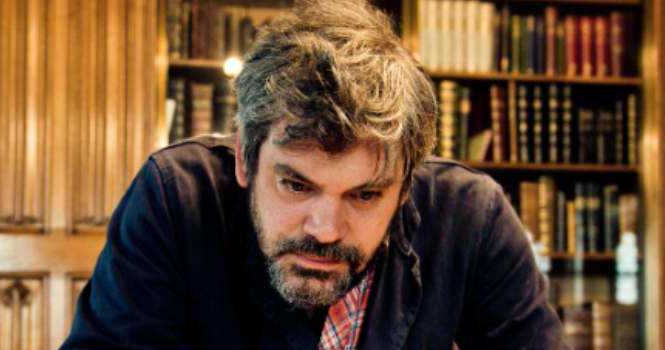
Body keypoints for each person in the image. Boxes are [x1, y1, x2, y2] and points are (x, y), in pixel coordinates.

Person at [62, 0, 562, 348]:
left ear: (406, 186)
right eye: (296, 184)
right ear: (244, 159)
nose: (324, 228)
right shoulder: (176, 199)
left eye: (365, 195)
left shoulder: (471, 218)